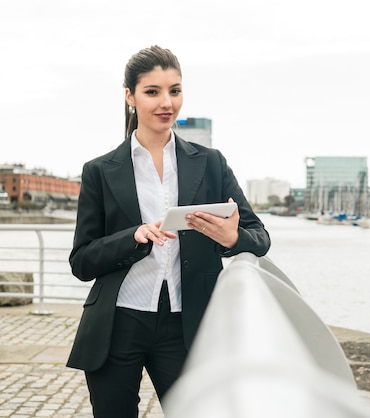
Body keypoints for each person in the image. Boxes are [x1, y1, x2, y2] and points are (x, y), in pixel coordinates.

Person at [67, 45, 271, 417]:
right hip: (118, 323)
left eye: (174, 90)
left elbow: (259, 235)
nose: (167, 102)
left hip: (187, 323)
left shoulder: (210, 163)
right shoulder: (100, 170)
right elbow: (82, 261)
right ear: (129, 96)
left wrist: (231, 239)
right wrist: (132, 237)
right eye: (152, 91)